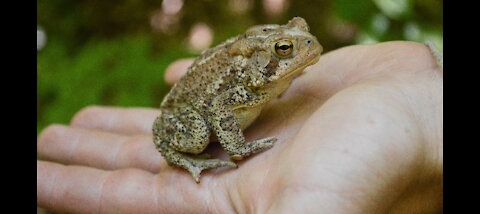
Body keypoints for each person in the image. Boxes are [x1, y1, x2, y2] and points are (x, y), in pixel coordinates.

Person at [37, 41, 443, 213]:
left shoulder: (267, 78)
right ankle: (185, 156)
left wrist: (423, 114)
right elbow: (218, 111)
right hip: (190, 109)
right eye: (285, 50)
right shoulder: (242, 84)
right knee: (197, 136)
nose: (300, 48)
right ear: (261, 62)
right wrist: (238, 148)